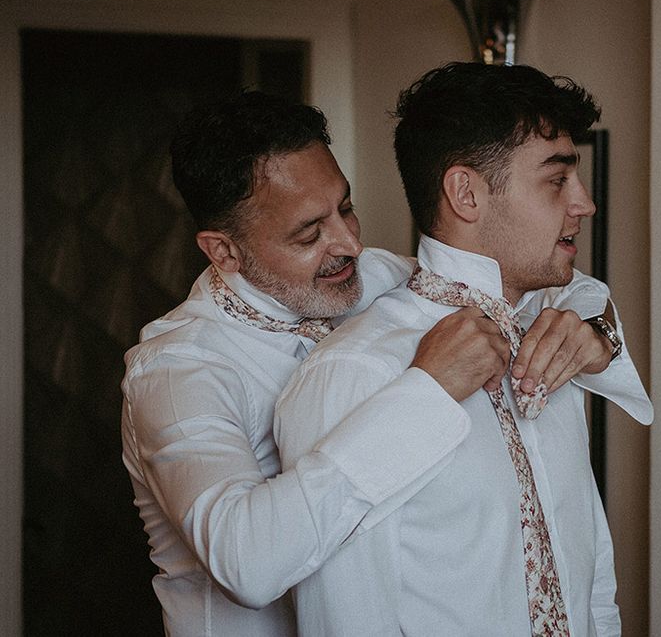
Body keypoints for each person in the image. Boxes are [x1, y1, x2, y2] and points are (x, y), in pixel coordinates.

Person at [121, 88, 628, 636]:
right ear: (224, 251)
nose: (348, 243)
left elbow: (518, 279)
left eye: (346, 208)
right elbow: (246, 561)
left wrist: (596, 335)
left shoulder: (370, 279)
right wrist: (426, 392)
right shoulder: (176, 370)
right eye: (309, 232)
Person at [274, 63, 653, 636]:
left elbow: (590, 571)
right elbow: (345, 620)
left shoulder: (555, 336)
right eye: (557, 179)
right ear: (465, 192)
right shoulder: (358, 373)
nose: (584, 203)